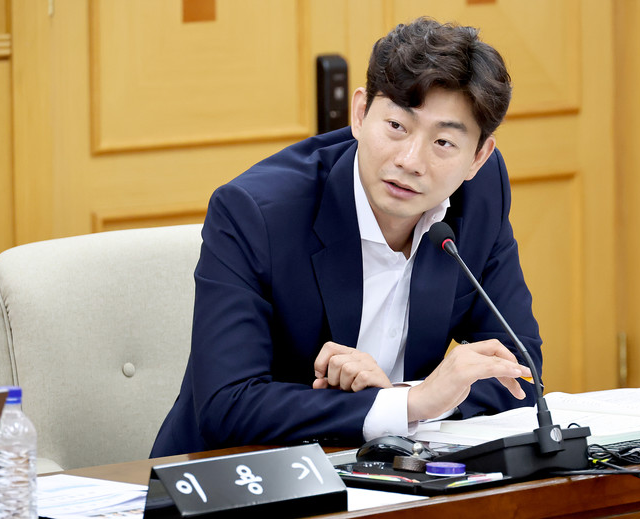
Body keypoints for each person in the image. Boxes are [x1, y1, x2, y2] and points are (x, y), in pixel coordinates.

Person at [150, 16, 542, 457]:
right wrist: (409, 403)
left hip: (388, 473)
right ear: (359, 113)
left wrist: (406, 399)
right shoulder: (255, 213)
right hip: (240, 475)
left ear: (478, 157)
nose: (411, 161)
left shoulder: (481, 194)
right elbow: (229, 406)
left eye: (444, 143)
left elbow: (520, 370)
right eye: (397, 126)